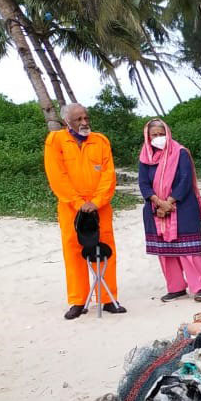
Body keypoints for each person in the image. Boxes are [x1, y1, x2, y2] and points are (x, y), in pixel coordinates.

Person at [43, 103, 127, 318]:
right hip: (71, 208)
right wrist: (78, 202)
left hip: (100, 207)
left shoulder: (100, 140)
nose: (84, 122)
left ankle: (108, 299)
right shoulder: (55, 141)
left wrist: (97, 201)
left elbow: (109, 175)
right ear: (66, 122)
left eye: (86, 118)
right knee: (73, 251)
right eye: (78, 119)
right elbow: (56, 175)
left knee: (105, 249)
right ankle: (78, 301)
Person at [138, 119, 201, 302]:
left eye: (161, 134)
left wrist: (170, 202)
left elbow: (185, 180)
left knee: (189, 250)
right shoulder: (145, 157)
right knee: (165, 252)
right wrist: (157, 202)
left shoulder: (180, 153)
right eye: (154, 135)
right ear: (148, 137)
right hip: (155, 209)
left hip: (182, 206)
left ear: (168, 133)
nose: (158, 138)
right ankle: (176, 287)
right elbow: (143, 183)